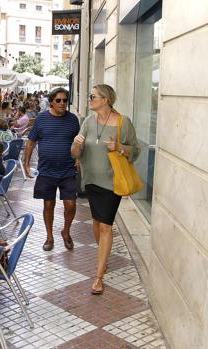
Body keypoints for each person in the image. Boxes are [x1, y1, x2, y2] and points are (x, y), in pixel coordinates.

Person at [71, 84, 139, 295]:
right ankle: (104, 256)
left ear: (105, 100)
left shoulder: (122, 122)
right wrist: (76, 144)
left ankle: (99, 276)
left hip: (112, 182)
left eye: (93, 96)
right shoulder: (89, 121)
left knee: (105, 227)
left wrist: (119, 147)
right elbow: (75, 153)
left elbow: (135, 151)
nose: (89, 99)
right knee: (97, 222)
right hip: (91, 180)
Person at [24, 87, 80, 252]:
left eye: (65, 100)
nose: (62, 103)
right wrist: (26, 164)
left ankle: (66, 232)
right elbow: (30, 142)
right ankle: (49, 237)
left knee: (71, 204)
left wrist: (78, 158)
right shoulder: (41, 119)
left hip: (68, 170)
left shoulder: (73, 120)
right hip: (46, 171)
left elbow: (78, 142)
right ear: (51, 102)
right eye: (58, 100)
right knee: (48, 205)